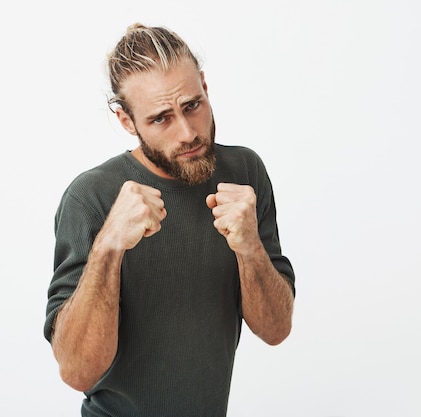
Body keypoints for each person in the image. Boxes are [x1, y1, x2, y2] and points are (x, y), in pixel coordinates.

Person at [43, 23, 295, 417]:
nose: (188, 132)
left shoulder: (245, 172)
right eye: (161, 118)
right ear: (127, 121)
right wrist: (109, 245)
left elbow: (276, 329)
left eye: (192, 105)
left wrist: (249, 247)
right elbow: (76, 370)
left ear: (206, 87)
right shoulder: (90, 197)